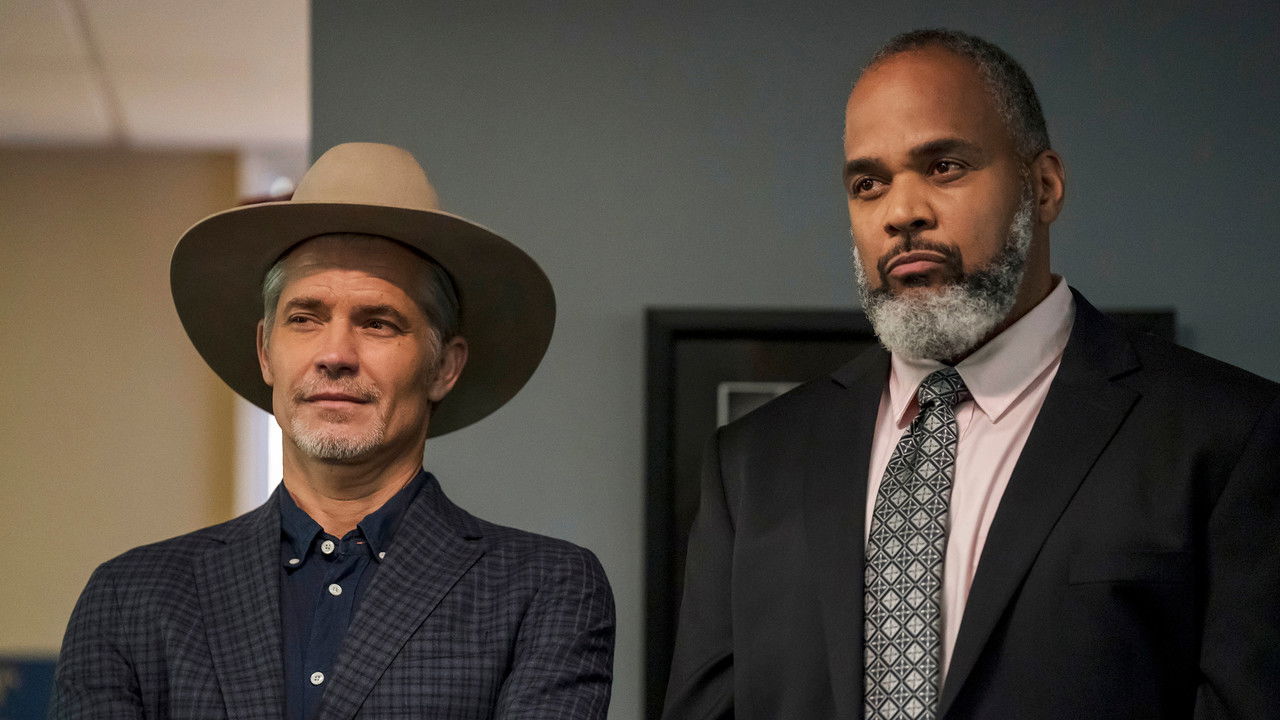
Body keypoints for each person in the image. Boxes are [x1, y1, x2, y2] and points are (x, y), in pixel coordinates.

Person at [663, 29, 1280, 720]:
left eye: (944, 167)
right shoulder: (753, 463)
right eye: (868, 184)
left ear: (1043, 187)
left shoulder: (1229, 436)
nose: (902, 213)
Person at [51, 142, 615, 719]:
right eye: (304, 319)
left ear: (443, 367)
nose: (335, 355)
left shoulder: (543, 589)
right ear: (266, 352)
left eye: (378, 323)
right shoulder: (130, 598)